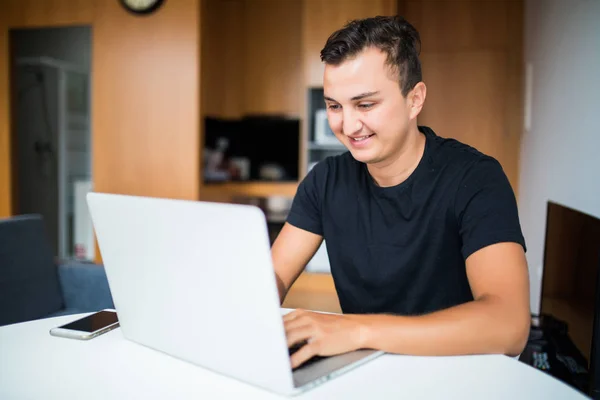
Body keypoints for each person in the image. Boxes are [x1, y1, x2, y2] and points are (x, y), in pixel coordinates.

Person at [270, 15, 531, 369]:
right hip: (368, 374)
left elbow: (509, 325)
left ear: (415, 100)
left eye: (365, 105)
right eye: (334, 106)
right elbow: (276, 275)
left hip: (458, 373)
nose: (347, 126)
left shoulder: (476, 178)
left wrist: (358, 330)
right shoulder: (325, 181)